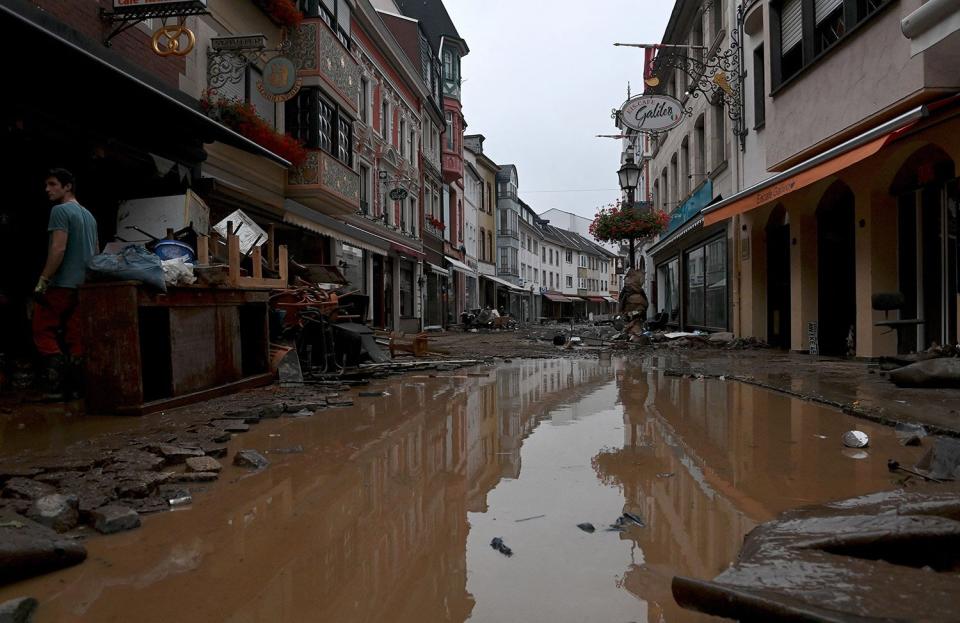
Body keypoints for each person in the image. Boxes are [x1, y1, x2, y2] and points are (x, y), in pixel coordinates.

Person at [32, 169, 98, 400]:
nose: (47, 189)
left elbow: (58, 248)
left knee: (42, 328)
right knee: (76, 335)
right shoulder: (89, 216)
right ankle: (77, 388)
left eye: (52, 184)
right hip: (84, 285)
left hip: (62, 284)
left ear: (67, 186)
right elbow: (95, 253)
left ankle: (54, 387)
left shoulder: (59, 211)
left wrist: (44, 279)